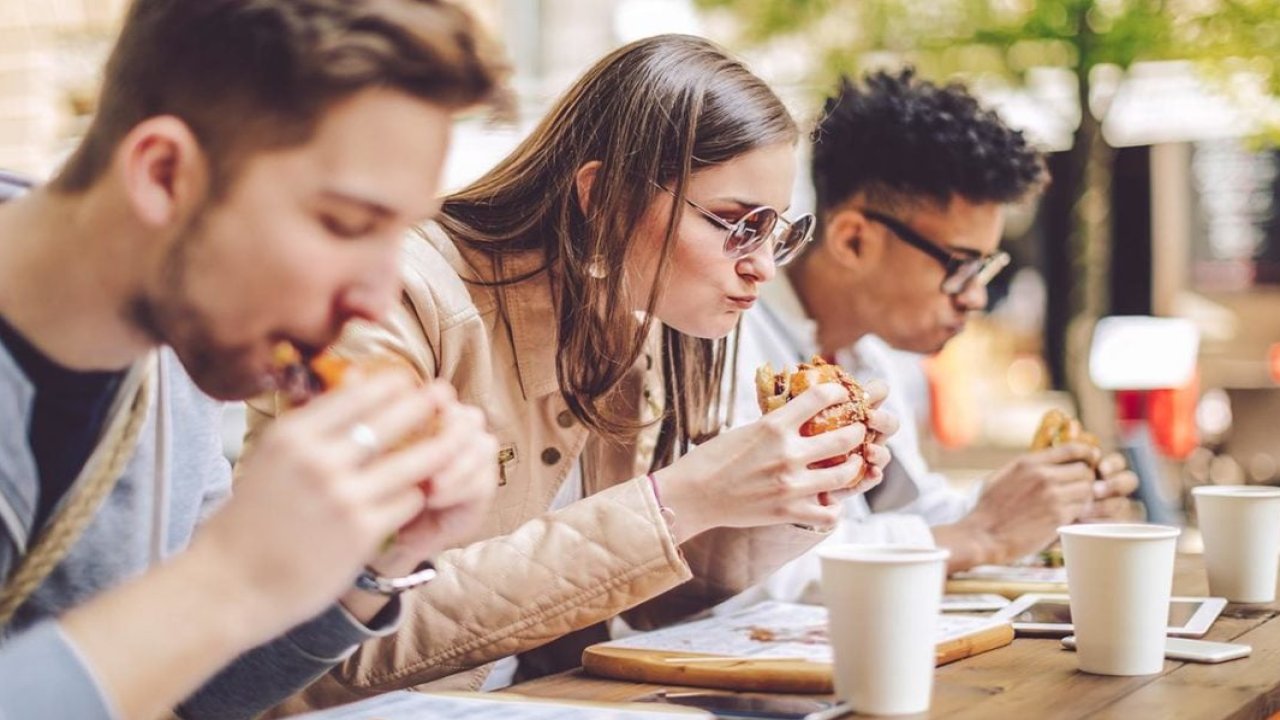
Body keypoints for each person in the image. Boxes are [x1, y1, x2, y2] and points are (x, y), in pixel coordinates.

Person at [243, 33, 899, 713]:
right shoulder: (399, 300)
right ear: (603, 194)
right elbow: (324, 646)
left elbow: (640, 605)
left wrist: (786, 496)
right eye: (737, 225)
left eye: (778, 233)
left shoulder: (627, 315)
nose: (763, 265)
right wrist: (684, 497)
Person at [0, 1, 506, 718]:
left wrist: (369, 560)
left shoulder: (180, 347)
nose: (375, 299)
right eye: (345, 225)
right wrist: (229, 579)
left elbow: (185, 692)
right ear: (166, 174)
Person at [729, 68, 1139, 604]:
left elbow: (912, 515)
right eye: (960, 265)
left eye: (984, 270)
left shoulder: (872, 354)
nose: (973, 297)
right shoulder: (730, 343)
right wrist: (981, 534)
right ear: (854, 241)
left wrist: (1047, 504)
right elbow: (753, 574)